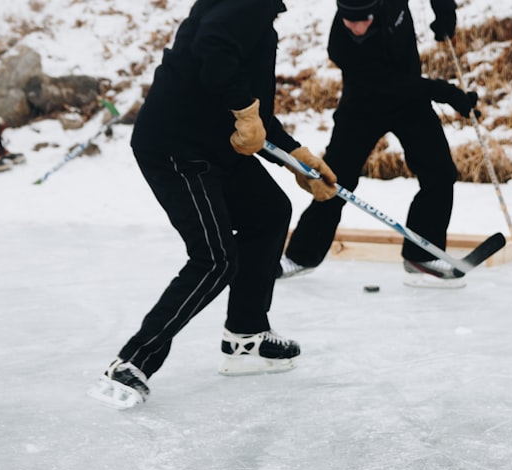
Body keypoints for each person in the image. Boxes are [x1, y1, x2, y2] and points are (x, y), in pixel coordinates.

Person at [88, 0, 337, 410]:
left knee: (269, 212)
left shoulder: (259, 13)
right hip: (176, 147)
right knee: (215, 258)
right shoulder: (246, 4)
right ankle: (133, 361)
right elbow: (214, 47)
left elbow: (251, 111)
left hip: (211, 144)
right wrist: (245, 111)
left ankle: (246, 336)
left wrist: (297, 158)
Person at [277, 0, 479, 288]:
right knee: (335, 180)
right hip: (364, 104)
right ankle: (300, 256)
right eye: (350, 21)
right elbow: (391, 86)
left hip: (411, 104)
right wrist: (447, 93)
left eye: (364, 20)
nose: (357, 28)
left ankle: (422, 255)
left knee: (440, 173)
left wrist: (445, 13)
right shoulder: (341, 46)